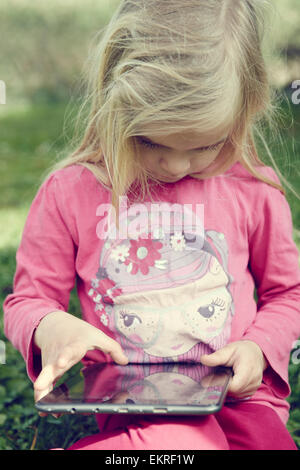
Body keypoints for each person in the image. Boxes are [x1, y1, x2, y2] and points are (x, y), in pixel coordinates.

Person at [3, 0, 300, 450]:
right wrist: (50, 326)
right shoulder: (72, 191)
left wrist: (257, 347)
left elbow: (288, 292)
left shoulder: (252, 188)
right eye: (149, 141)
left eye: (206, 145)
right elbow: (27, 300)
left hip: (243, 398)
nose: (176, 164)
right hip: (132, 404)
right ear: (113, 104)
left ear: (245, 112)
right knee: (178, 444)